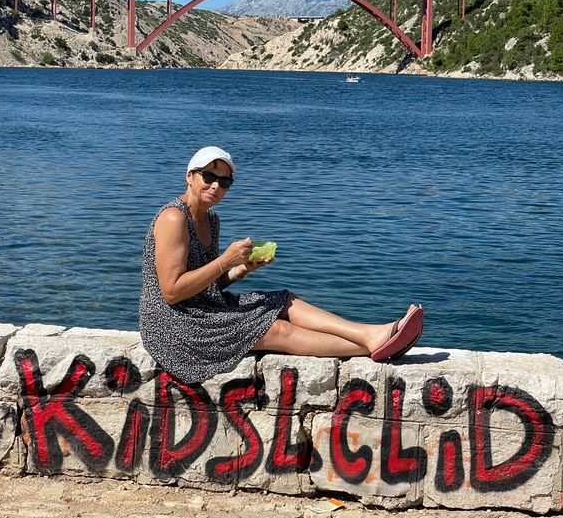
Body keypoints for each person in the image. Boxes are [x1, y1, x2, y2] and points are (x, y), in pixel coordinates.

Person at [139, 146, 423, 384]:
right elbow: (172, 291)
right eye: (209, 176)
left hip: (201, 309)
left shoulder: (211, 220)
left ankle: (370, 334)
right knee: (275, 330)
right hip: (172, 327)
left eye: (224, 182)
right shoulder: (174, 218)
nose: (216, 185)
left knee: (284, 300)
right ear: (190, 176)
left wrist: (240, 270)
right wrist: (225, 260)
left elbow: (205, 286)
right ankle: (373, 343)